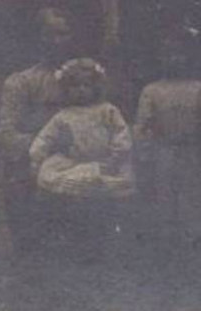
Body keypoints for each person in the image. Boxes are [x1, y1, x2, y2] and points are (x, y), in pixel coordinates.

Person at [28, 57, 136, 260]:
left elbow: (121, 134)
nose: (81, 90)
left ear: (96, 87)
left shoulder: (107, 110)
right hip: (75, 163)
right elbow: (45, 136)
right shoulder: (64, 115)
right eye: (75, 86)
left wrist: (115, 157)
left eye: (87, 85)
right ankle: (78, 241)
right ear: (66, 89)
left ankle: (104, 243)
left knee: (105, 202)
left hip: (105, 162)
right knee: (74, 195)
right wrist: (37, 155)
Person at [0, 7, 76, 255]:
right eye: (50, 34)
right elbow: (7, 136)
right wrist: (46, 144)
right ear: (39, 37)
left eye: (63, 34)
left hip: (78, 159)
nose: (57, 41)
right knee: (19, 185)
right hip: (36, 161)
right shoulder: (21, 82)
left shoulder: (86, 78)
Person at [134, 26, 201, 252]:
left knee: (192, 191)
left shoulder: (199, 88)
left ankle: (192, 236)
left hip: (191, 149)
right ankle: (166, 236)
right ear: (160, 57)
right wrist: (145, 153)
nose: (174, 59)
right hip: (163, 149)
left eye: (179, 54)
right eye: (168, 54)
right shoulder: (152, 90)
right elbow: (142, 125)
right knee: (164, 190)